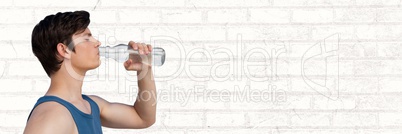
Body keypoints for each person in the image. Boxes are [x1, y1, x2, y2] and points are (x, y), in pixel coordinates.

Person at [23, 10, 156, 134]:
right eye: (86, 38)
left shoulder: (91, 105)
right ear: (64, 50)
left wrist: (145, 69)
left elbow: (143, 118)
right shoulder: (51, 115)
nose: (97, 42)